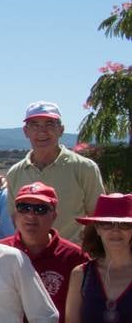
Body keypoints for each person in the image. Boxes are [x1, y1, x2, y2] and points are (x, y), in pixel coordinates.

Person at [65, 193, 132, 323]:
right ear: (96, 229)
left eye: (124, 225)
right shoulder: (81, 274)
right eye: (106, 223)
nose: (114, 230)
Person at [6, 101, 105, 241]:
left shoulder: (84, 168)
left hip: (73, 258)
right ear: (26, 131)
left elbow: (98, 217)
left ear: (61, 130)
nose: (42, 131)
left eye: (50, 124)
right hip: (28, 259)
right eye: (35, 125)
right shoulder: (15, 173)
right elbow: (15, 218)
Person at [0, 181, 87, 323]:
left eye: (40, 209)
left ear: (54, 215)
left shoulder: (75, 257)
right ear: (14, 214)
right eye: (23, 208)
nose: (30, 215)